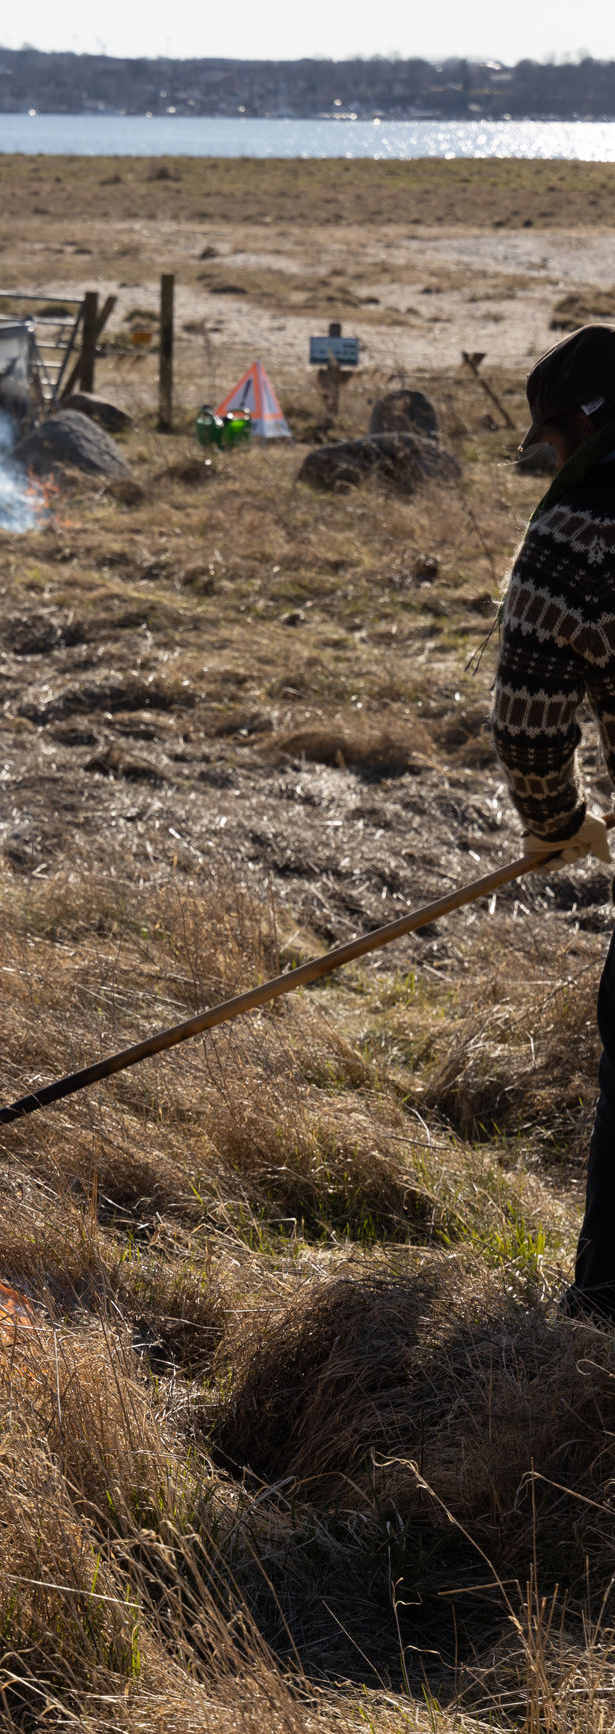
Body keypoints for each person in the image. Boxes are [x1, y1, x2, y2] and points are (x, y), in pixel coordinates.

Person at [491, 322, 615, 1320]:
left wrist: (557, 824)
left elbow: (531, 721)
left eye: (556, 441)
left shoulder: (577, 534)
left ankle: (606, 1316)